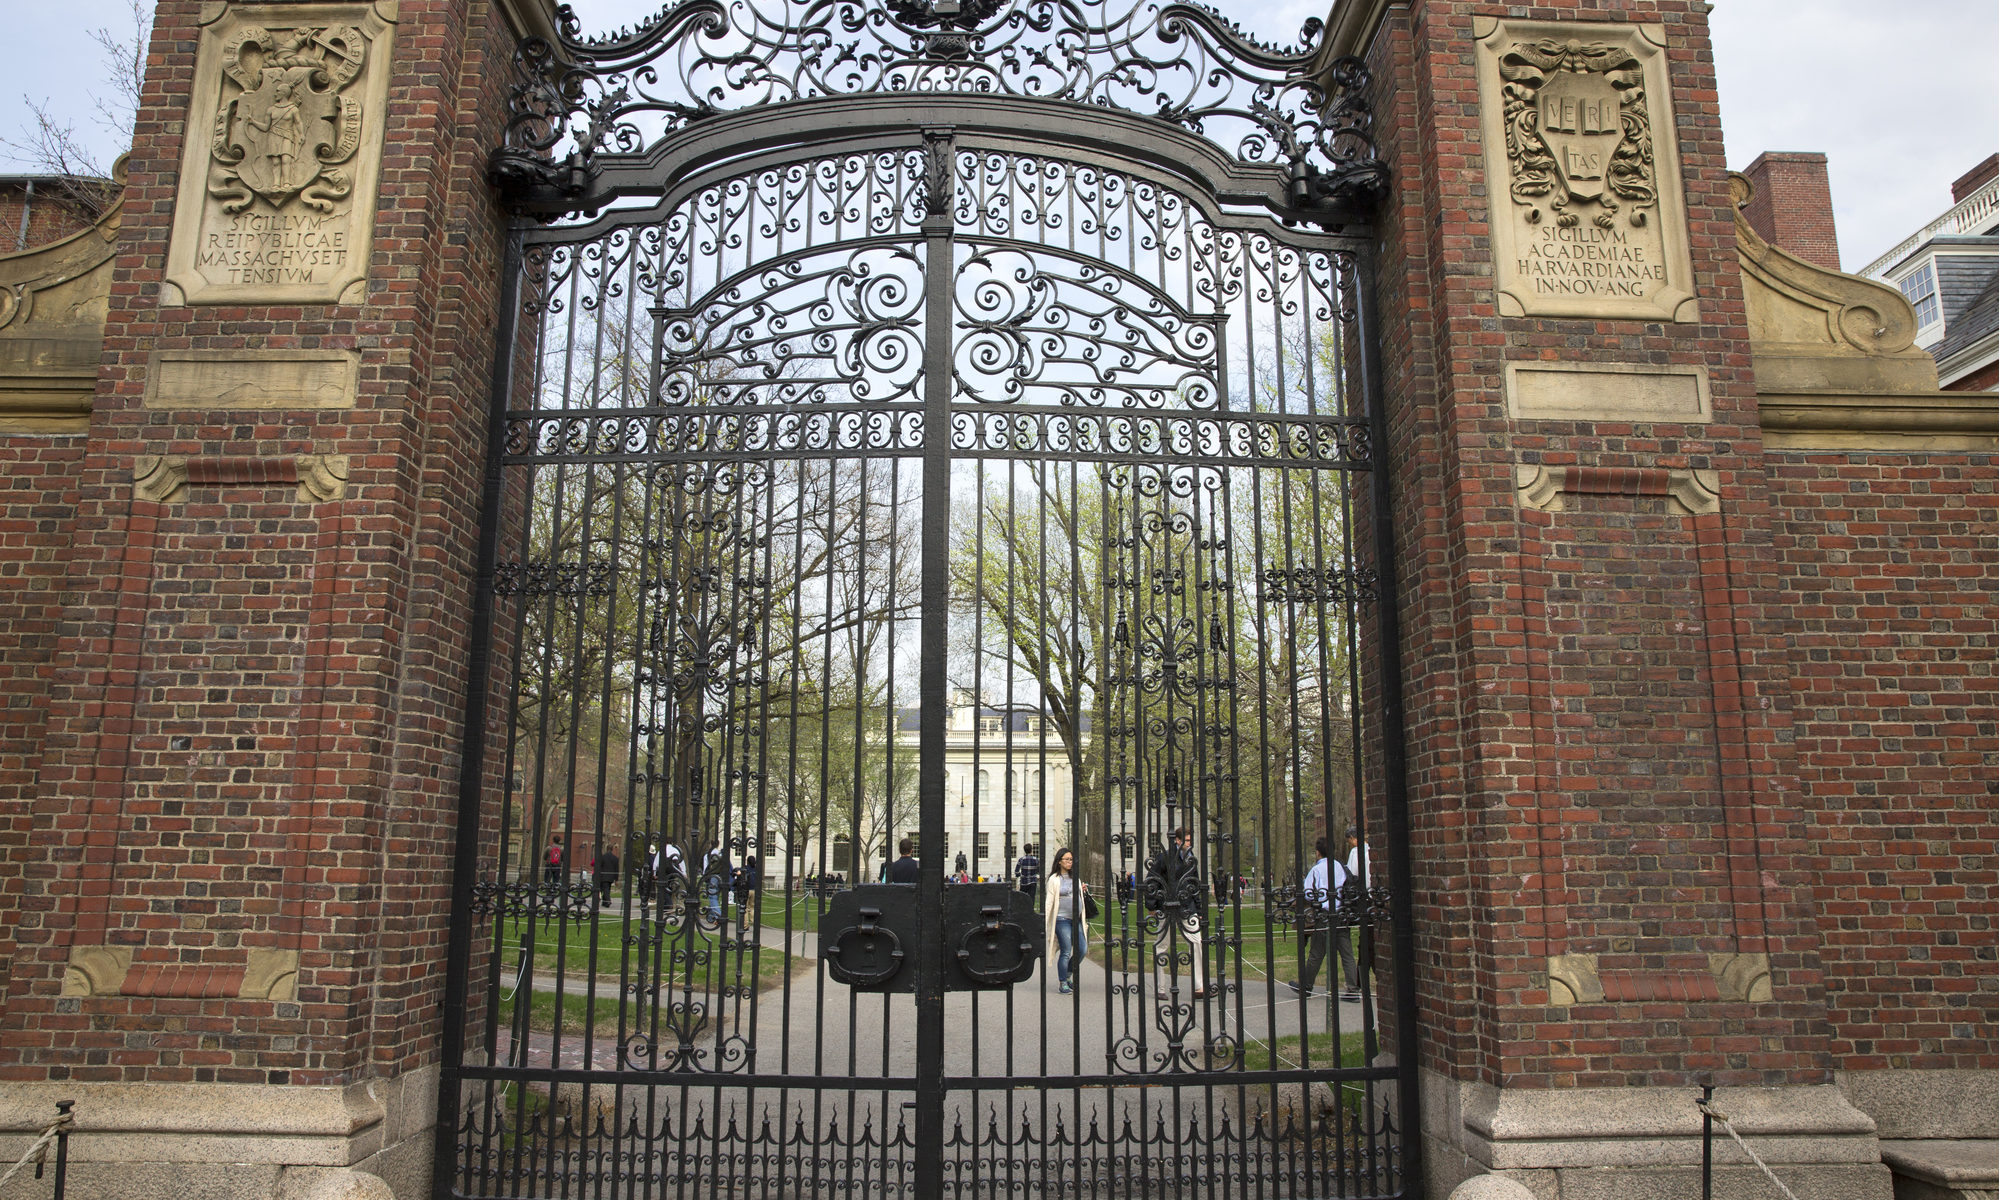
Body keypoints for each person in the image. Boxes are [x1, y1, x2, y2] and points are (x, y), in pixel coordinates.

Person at [1144, 826, 1208, 999]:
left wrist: (1199, 909)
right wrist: (1152, 906)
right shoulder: (1165, 858)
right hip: (1167, 907)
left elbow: (1194, 885)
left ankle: (1199, 987)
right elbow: (1151, 880)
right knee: (1161, 946)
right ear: (1177, 841)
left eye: (1190, 840)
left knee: (1196, 943)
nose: (1190, 843)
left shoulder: (1190, 859)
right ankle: (1161, 988)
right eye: (1187, 840)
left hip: (1187, 908)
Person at [1290, 836, 1358, 1000]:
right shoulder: (1340, 866)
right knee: (1347, 953)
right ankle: (1353, 989)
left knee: (1316, 953)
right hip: (1340, 913)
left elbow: (1307, 892)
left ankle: (1306, 986)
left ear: (1318, 852)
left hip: (1324, 913)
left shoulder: (1316, 869)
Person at [1041, 847, 1090, 995]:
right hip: (1061, 919)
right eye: (1067, 859)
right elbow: (1049, 901)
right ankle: (1063, 982)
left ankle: (1068, 975)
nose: (1070, 862)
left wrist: (1082, 889)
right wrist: (1045, 921)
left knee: (1082, 949)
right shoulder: (1054, 879)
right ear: (1060, 861)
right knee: (1066, 950)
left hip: (1077, 919)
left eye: (1071, 859)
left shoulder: (1075, 877)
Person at [594, 844, 620, 909]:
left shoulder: (603, 857)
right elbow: (616, 869)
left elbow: (599, 867)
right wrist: (616, 879)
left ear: (607, 849)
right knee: (607, 888)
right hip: (611, 877)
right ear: (612, 849)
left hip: (603, 876)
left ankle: (607, 900)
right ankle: (604, 902)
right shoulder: (615, 858)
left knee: (605, 888)